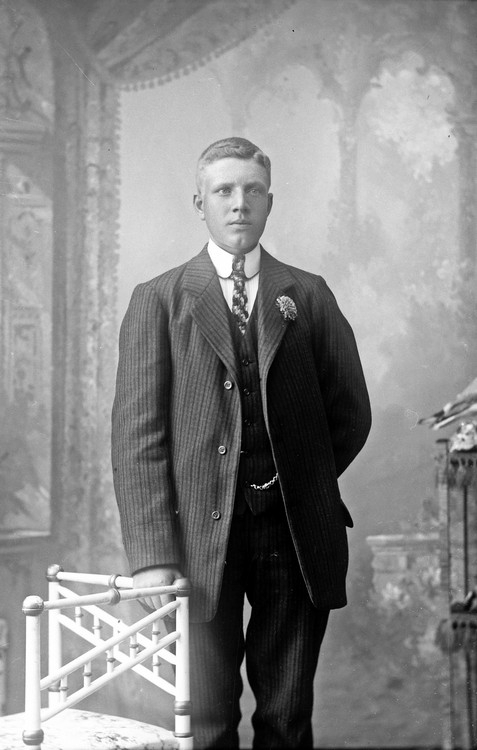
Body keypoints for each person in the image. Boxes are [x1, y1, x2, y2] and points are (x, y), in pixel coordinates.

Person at [111, 136, 371, 749]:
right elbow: (137, 440)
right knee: (206, 721)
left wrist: (300, 480)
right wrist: (152, 556)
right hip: (198, 543)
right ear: (198, 203)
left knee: (286, 719)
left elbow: (351, 411)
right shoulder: (159, 300)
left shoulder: (308, 295)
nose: (239, 203)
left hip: (295, 537)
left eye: (253, 190)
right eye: (223, 190)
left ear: (270, 203)